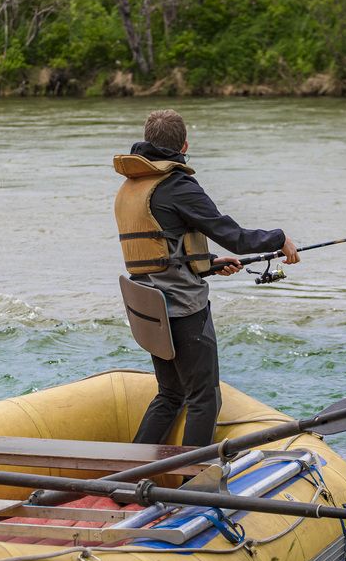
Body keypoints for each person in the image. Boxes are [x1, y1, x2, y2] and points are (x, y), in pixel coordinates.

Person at [114, 109, 299, 447]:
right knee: (204, 397)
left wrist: (209, 263)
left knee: (170, 394)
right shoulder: (176, 185)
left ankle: (130, 476)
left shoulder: (134, 184)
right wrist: (279, 238)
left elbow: (158, 247)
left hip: (148, 305)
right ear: (185, 145)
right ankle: (193, 479)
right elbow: (236, 237)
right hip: (182, 308)